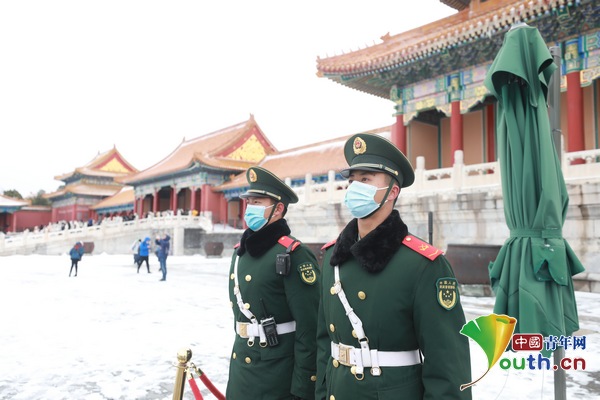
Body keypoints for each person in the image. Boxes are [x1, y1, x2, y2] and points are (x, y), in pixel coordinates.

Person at [315, 134, 472, 400]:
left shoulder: (422, 264)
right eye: (352, 181)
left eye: (366, 180)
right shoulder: (333, 258)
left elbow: (447, 363)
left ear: (393, 191)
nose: (355, 187)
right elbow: (323, 343)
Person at [226, 166, 320, 400]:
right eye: (249, 203)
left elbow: (310, 328)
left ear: (278, 209)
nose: (250, 209)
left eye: (257, 202)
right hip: (242, 369)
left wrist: (303, 387)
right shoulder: (240, 253)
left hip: (277, 375)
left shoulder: (293, 254)